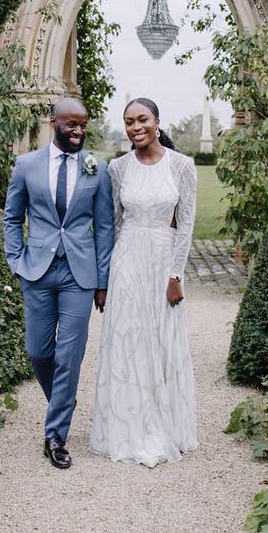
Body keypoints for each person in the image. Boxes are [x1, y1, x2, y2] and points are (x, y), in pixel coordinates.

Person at [3, 97, 114, 470]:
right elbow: (12, 217)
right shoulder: (26, 165)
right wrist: (16, 261)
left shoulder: (97, 169)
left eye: (84, 125)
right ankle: (63, 401)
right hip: (36, 271)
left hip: (79, 276)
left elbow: (104, 228)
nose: (79, 132)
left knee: (69, 355)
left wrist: (102, 281)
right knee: (37, 351)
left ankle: (56, 435)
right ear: (54, 122)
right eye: (72, 125)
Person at [90, 97, 198, 466]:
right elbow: (113, 224)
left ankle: (166, 424)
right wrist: (105, 278)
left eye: (142, 120)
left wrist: (176, 275)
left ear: (156, 121)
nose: (136, 128)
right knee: (129, 339)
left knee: (162, 341)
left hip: (164, 260)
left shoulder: (182, 165)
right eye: (129, 122)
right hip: (128, 260)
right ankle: (128, 427)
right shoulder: (116, 168)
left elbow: (185, 225)